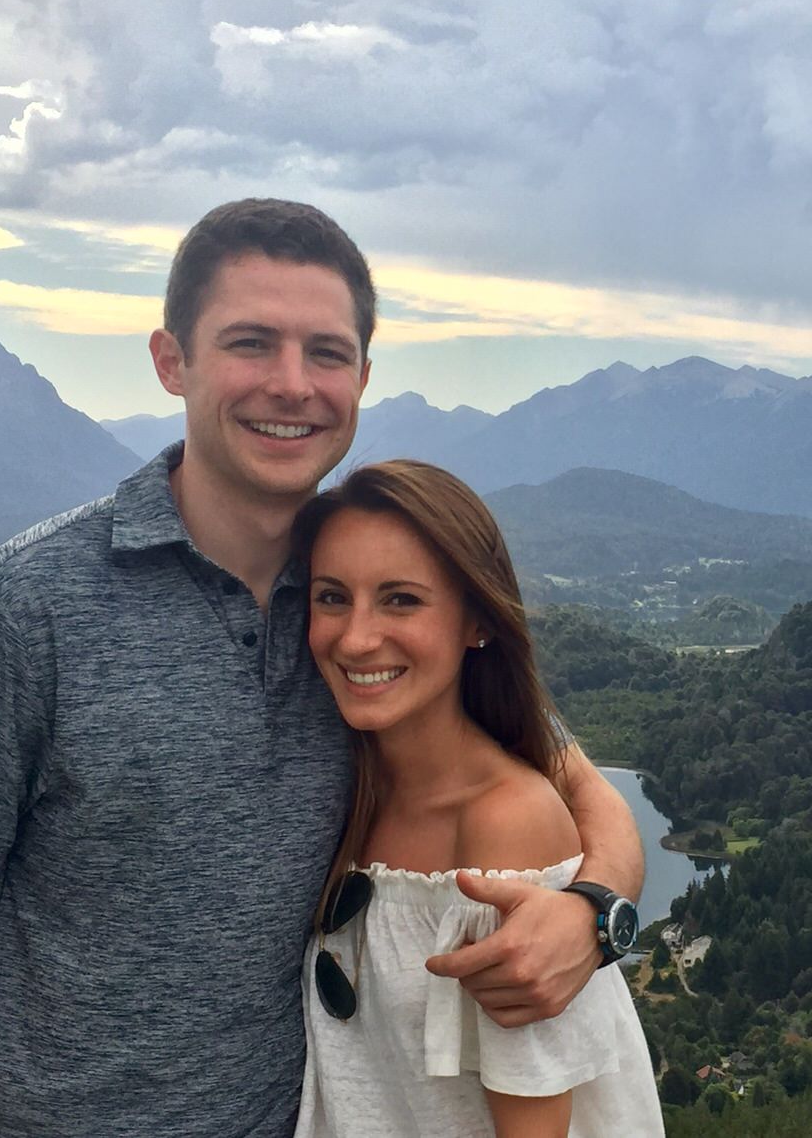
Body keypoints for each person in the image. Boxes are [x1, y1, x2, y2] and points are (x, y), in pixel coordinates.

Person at [0, 198, 644, 1138]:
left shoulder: (364, 606)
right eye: (251, 343)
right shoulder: (28, 608)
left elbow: (572, 783)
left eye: (326, 352)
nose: (291, 384)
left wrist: (592, 914)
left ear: (361, 375)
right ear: (171, 360)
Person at [290, 460, 663, 1137]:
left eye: (401, 599)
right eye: (331, 597)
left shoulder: (503, 824)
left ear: (478, 624)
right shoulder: (347, 780)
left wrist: (594, 914)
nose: (356, 637)